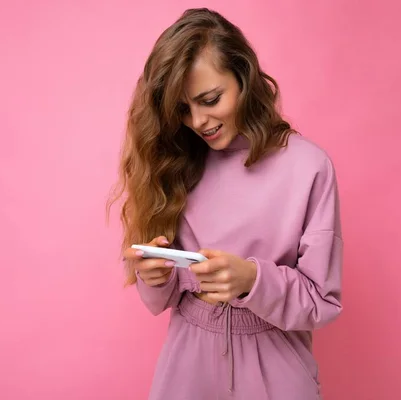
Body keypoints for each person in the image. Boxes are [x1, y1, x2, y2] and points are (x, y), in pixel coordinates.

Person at [108, 7, 343, 400]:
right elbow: (161, 299)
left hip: (277, 367)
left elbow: (322, 301)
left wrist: (252, 280)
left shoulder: (309, 167)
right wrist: (154, 276)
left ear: (244, 76)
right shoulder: (178, 162)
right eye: (183, 109)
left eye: (210, 99)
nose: (198, 121)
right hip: (187, 368)